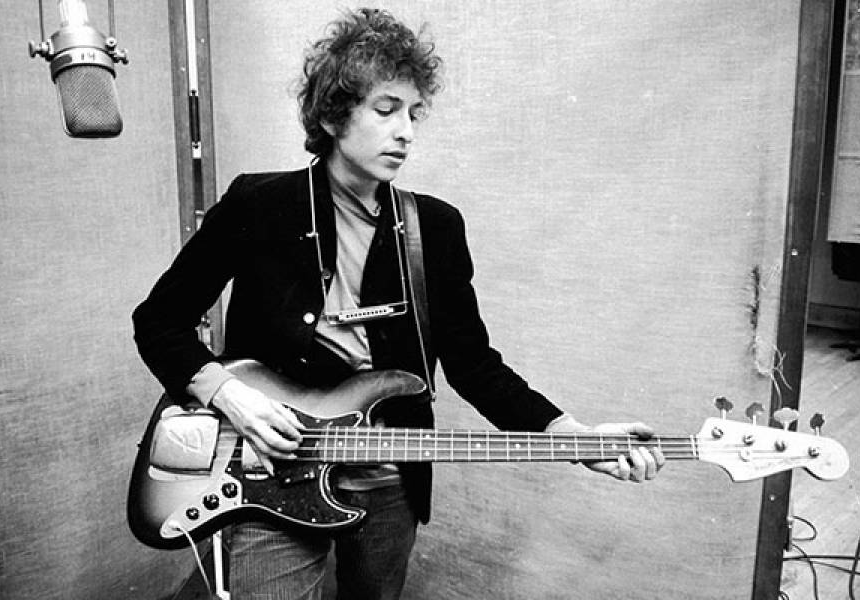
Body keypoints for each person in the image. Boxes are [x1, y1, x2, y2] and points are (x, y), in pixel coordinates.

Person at [132, 7, 665, 600]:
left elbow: (473, 364)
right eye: (386, 110)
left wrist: (572, 435)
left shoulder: (434, 226)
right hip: (269, 469)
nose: (406, 131)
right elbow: (159, 322)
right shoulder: (258, 204)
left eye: (413, 113)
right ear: (333, 114)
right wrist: (231, 395)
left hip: (389, 483)